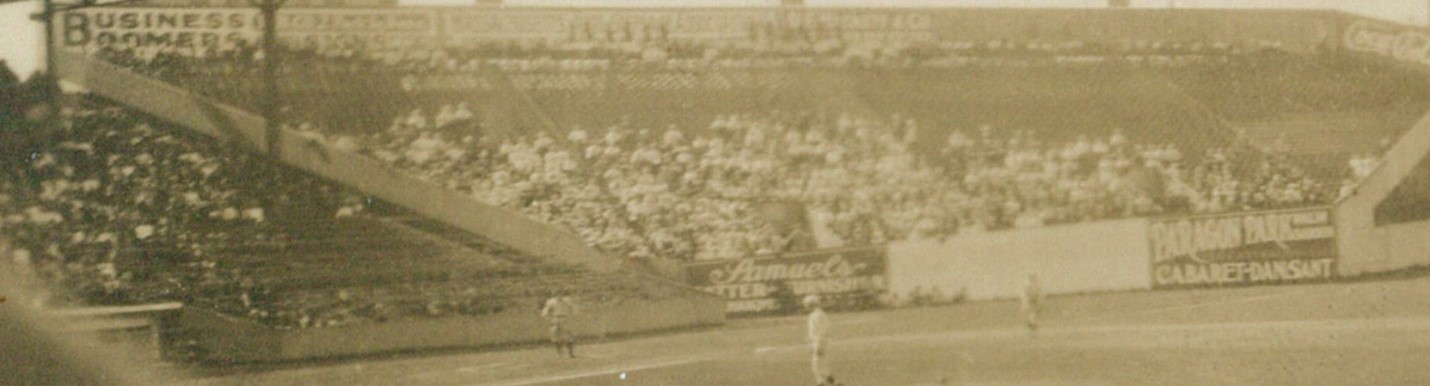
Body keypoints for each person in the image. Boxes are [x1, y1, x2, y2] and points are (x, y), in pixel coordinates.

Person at [805, 295, 838, 386]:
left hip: (820, 341)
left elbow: (820, 331)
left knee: (816, 365)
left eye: (807, 305)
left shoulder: (817, 315)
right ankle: (832, 382)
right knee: (821, 364)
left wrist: (818, 344)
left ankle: (821, 382)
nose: (806, 307)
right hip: (818, 341)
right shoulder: (817, 314)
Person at [541, 291, 578, 358]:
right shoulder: (551, 301)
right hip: (556, 318)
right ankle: (558, 353)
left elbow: (573, 308)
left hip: (565, 318)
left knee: (568, 336)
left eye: (560, 293)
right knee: (556, 336)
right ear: (554, 294)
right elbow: (546, 311)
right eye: (557, 294)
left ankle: (570, 353)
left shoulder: (567, 301)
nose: (559, 295)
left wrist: (571, 315)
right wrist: (549, 319)